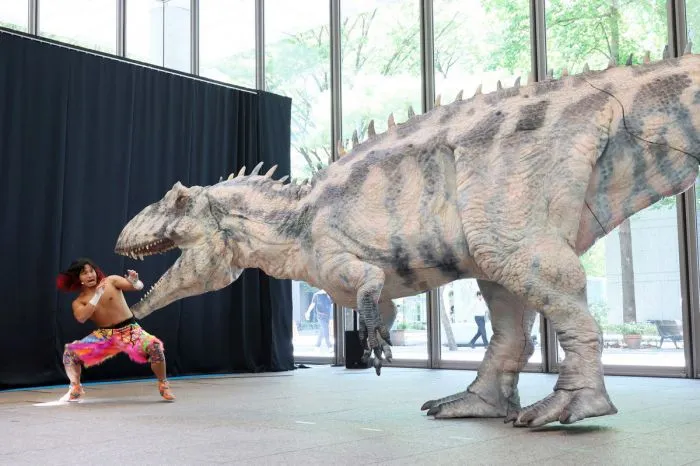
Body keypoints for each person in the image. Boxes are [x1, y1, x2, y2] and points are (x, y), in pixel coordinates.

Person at [56, 257, 175, 402]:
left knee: (155, 347)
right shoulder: (79, 301)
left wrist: (135, 281)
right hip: (105, 335)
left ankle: (163, 384)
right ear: (78, 278)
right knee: (70, 354)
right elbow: (81, 318)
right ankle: (75, 388)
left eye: (91, 271)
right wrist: (97, 295)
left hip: (130, 330)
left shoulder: (111, 281)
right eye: (84, 273)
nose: (90, 275)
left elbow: (138, 287)